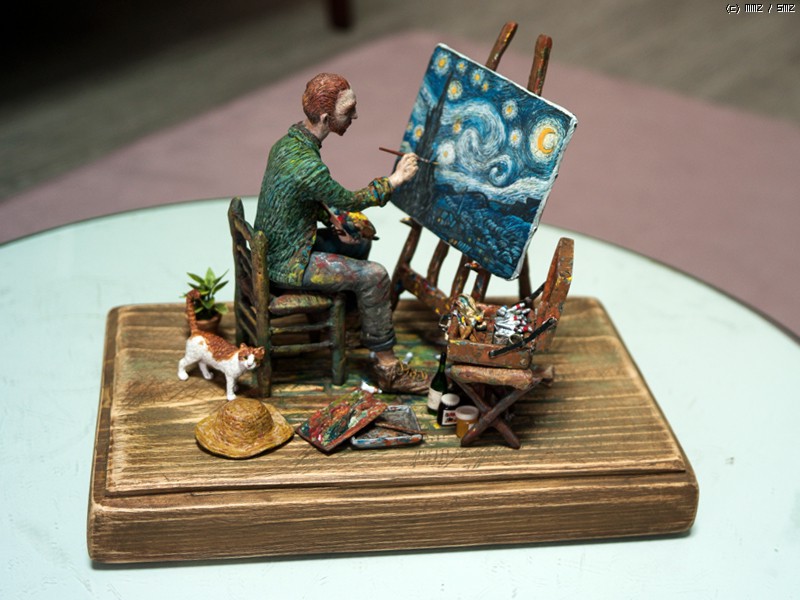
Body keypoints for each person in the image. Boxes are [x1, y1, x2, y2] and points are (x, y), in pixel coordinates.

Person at [254, 72, 431, 394]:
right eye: (348, 111)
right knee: (375, 275)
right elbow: (349, 200)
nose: (355, 117)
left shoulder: (287, 145)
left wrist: (332, 220)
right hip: (288, 263)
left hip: (282, 245)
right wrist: (394, 180)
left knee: (357, 242)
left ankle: (350, 326)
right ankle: (388, 368)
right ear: (325, 118)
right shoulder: (307, 166)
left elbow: (303, 198)